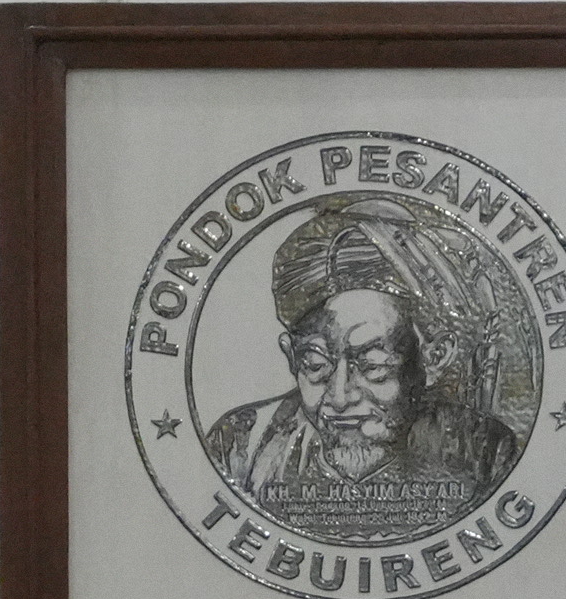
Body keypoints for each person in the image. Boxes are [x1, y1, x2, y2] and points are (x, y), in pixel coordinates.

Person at [206, 198, 524, 544]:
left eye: (373, 366)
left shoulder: (483, 452)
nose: (339, 397)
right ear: (290, 355)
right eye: (315, 365)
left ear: (434, 357)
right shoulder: (241, 445)